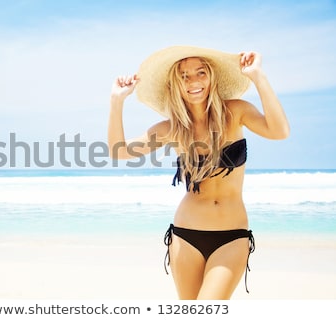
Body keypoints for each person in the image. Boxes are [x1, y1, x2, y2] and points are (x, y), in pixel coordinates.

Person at [107, 46, 290, 300]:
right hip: (185, 236)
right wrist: (117, 101)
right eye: (184, 76)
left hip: (232, 237)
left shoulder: (235, 112)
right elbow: (119, 151)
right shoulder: (172, 129)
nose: (193, 81)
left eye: (200, 73)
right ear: (176, 85)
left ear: (211, 77)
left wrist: (258, 77)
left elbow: (279, 131)